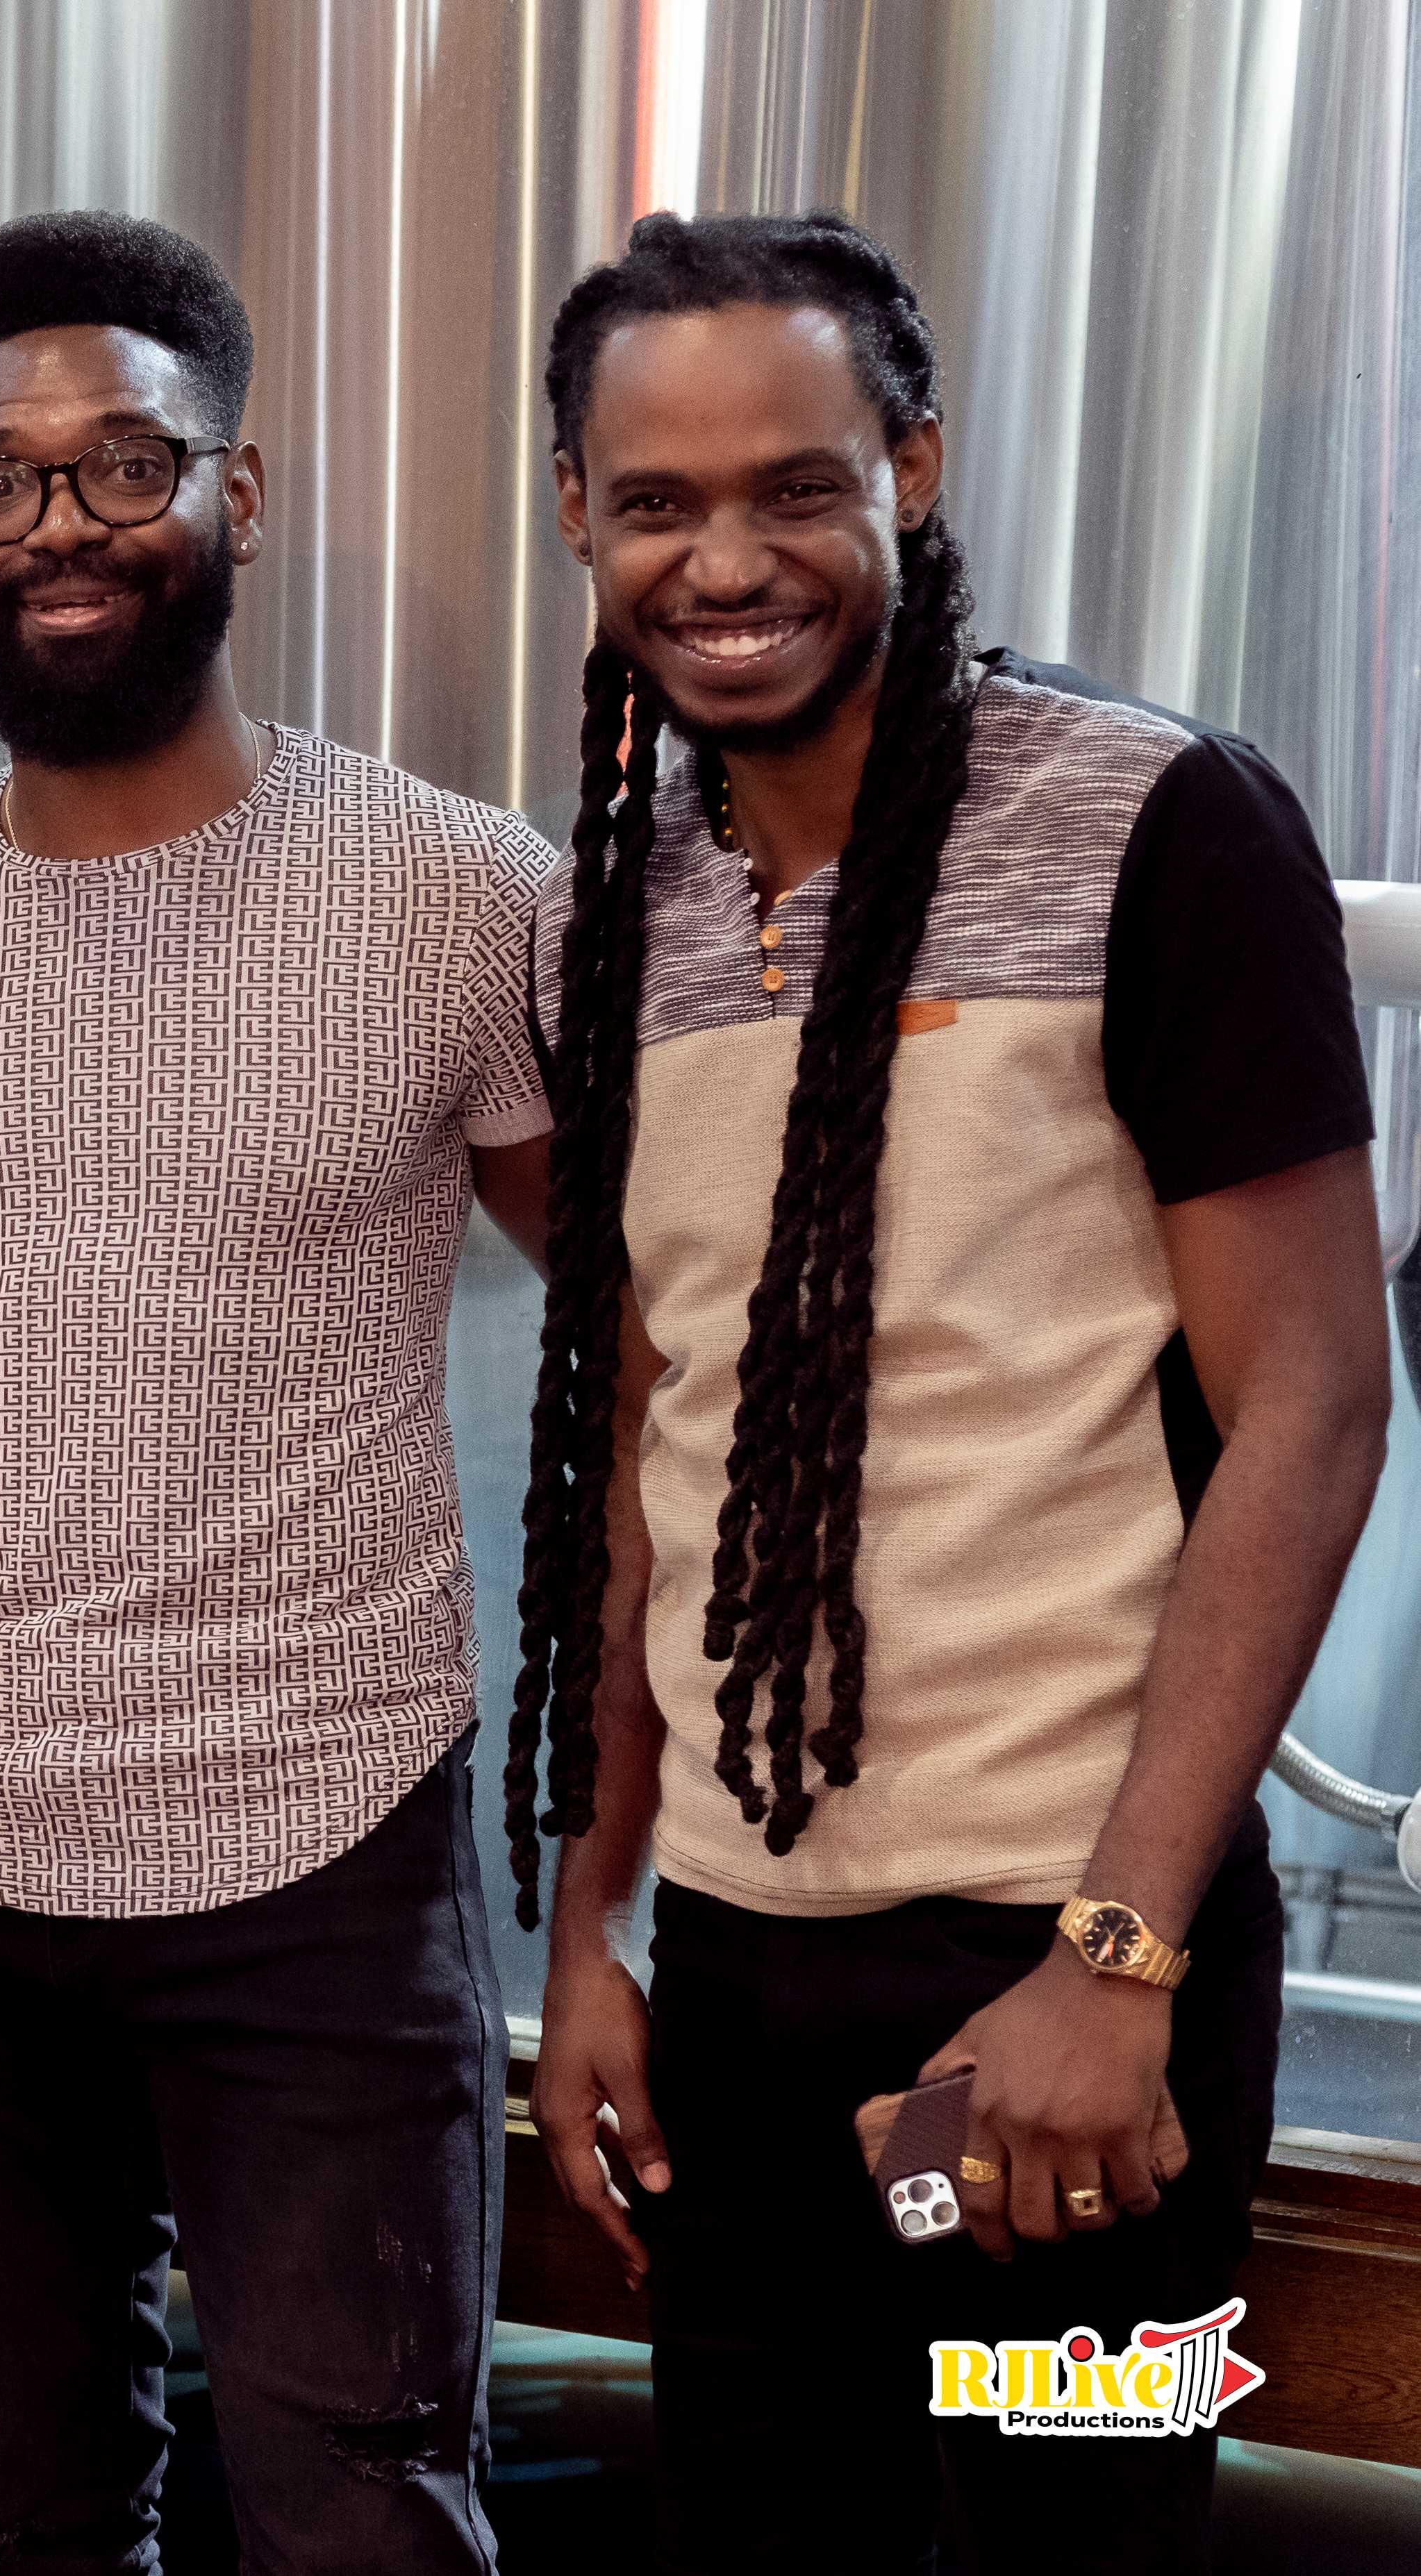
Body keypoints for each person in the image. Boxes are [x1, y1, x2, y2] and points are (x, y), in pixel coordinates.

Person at [511, 212, 1386, 2574]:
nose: (726, 560)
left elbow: (1307, 1409)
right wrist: (587, 1940)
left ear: (905, 467)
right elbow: (642, 1457)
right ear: (575, 521)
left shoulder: (1154, 822)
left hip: (1061, 1999)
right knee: (764, 2541)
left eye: (792, 486)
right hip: (736, 1996)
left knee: (1073, 2544)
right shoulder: (616, 919)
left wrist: (1116, 1958)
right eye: (654, 501)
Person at [0, 210, 554, 2573]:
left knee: (358, 2522)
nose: (59, 526)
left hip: (320, 1845)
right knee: (13, 2527)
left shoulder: (457, 895)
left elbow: (658, 1326)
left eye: (122, 466)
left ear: (233, 493)